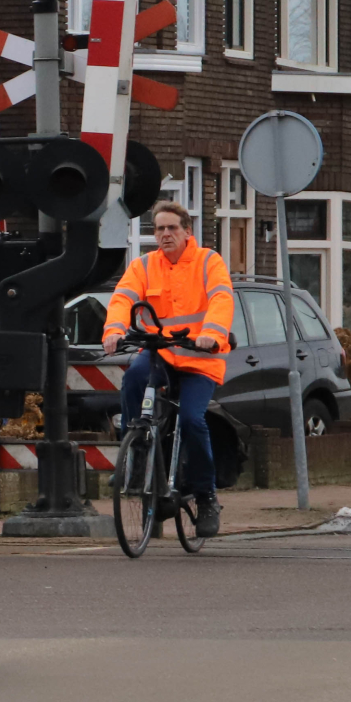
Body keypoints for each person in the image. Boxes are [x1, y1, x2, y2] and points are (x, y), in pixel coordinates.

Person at [102, 199, 236, 539]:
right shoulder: (144, 266)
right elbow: (122, 298)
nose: (164, 234)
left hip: (199, 358)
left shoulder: (208, 262)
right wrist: (114, 331)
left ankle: (206, 497)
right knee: (132, 378)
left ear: (187, 232)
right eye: (158, 228)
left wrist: (211, 333)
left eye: (171, 228)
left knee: (192, 420)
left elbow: (221, 298)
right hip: (161, 353)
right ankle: (137, 458)